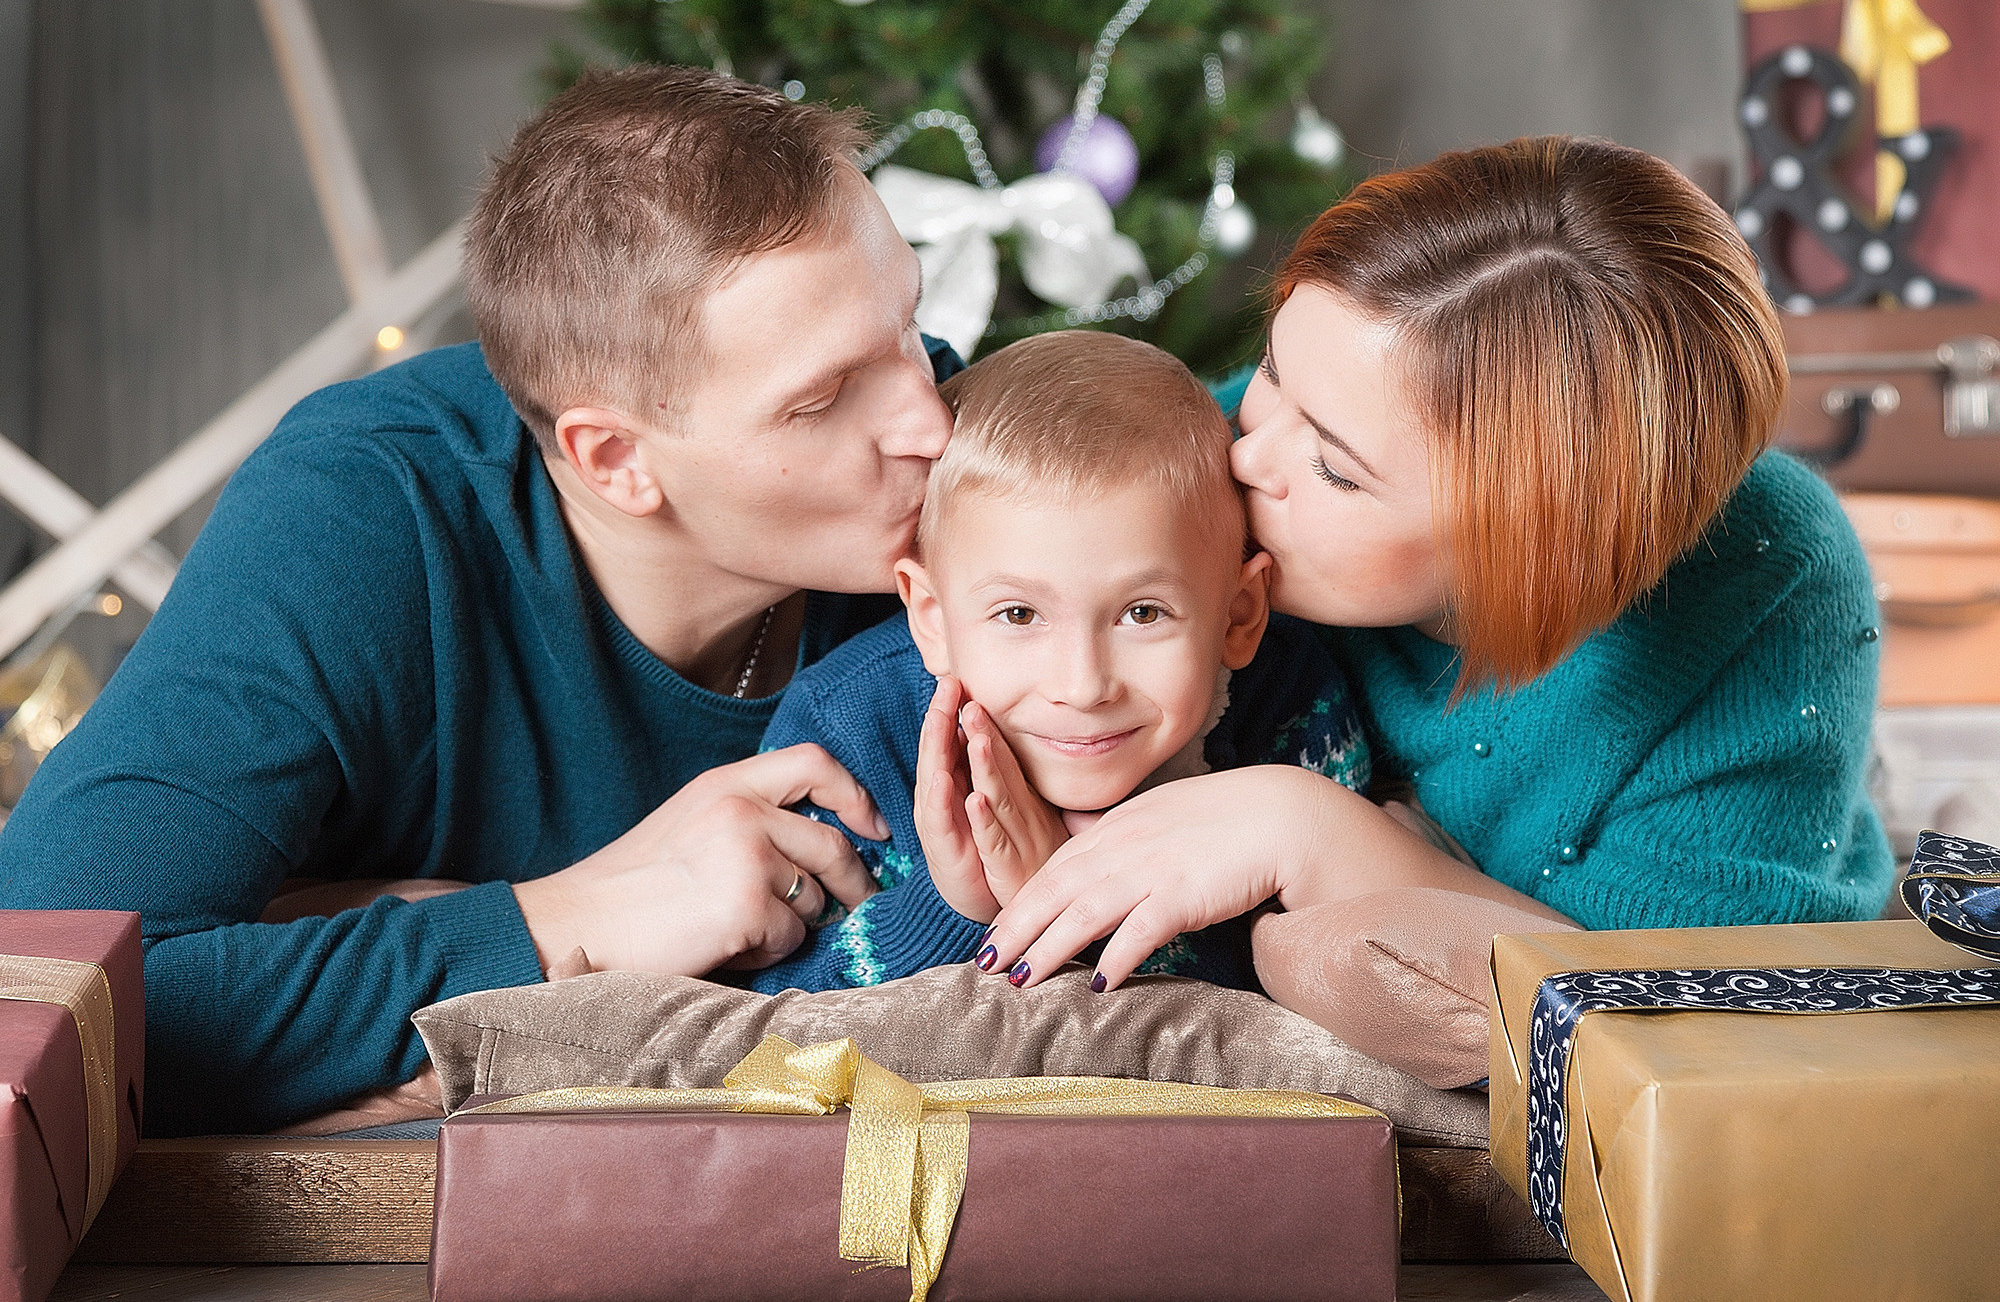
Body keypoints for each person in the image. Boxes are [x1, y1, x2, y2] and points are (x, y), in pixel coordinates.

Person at [0, 66, 965, 1135]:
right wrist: (580, 917)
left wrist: (363, 931)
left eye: (906, 328)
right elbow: (35, 987)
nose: (931, 421)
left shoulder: (972, 479)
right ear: (614, 461)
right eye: (824, 400)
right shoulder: (364, 509)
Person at [965, 138, 1891, 1044]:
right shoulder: (1287, 429)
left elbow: (1681, 1031)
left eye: (1332, 467)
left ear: (1533, 550)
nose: (1245, 452)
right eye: (1274, 373)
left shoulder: (1771, 588)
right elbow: (971, 518)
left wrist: (1306, 829)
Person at [735, 330, 1369, 995]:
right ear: (932, 617)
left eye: (1143, 613)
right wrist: (960, 909)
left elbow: (1333, 993)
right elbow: (761, 1013)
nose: (1083, 684)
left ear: (1239, 615)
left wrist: (1082, 911)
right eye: (1018, 615)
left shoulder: (1291, 701)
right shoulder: (850, 729)